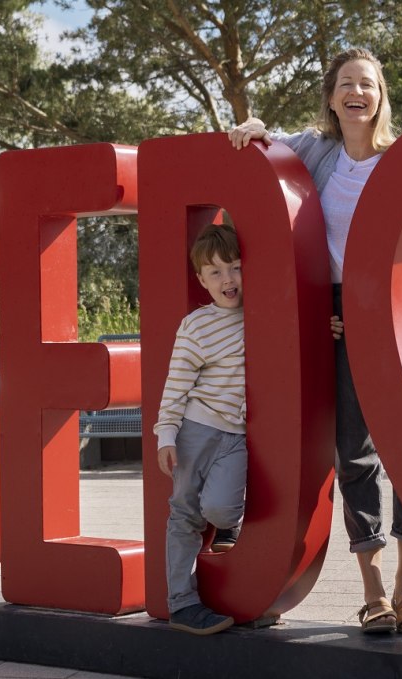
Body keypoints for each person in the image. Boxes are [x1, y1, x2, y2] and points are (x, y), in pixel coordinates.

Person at [226, 46, 402, 635]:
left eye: (370, 84)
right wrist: (253, 129)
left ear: (382, 97)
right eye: (347, 83)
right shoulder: (316, 150)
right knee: (354, 455)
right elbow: (269, 148)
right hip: (337, 317)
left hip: (401, 318)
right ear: (331, 96)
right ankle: (375, 591)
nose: (358, 92)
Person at [153, 224, 250, 635]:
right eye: (215, 272)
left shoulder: (264, 313)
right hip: (196, 429)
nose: (227, 279)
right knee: (185, 515)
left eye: (234, 267)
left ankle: (228, 527)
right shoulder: (196, 325)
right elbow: (176, 384)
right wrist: (166, 435)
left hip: (238, 436)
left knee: (221, 509)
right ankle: (182, 603)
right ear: (202, 281)